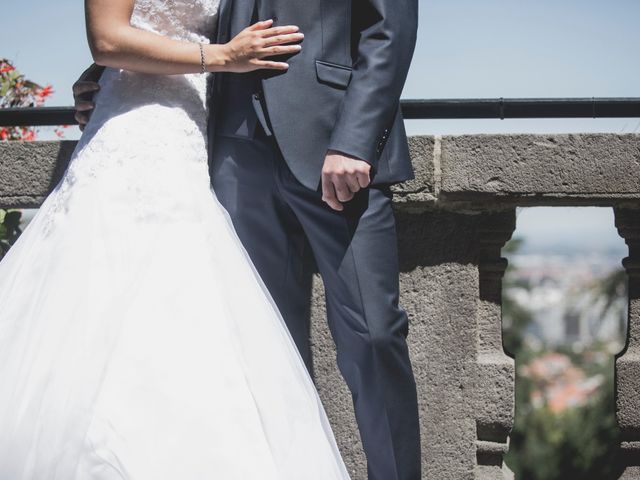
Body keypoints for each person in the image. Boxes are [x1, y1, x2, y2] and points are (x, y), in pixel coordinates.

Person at [0, 0, 351, 478]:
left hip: (194, 129)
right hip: (133, 129)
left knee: (185, 293)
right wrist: (222, 56)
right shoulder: (212, 57)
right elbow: (106, 38)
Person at [76, 0, 422, 478]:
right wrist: (105, 72)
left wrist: (354, 141)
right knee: (264, 346)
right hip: (233, 151)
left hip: (334, 148)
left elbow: (390, 31)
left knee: (375, 335)